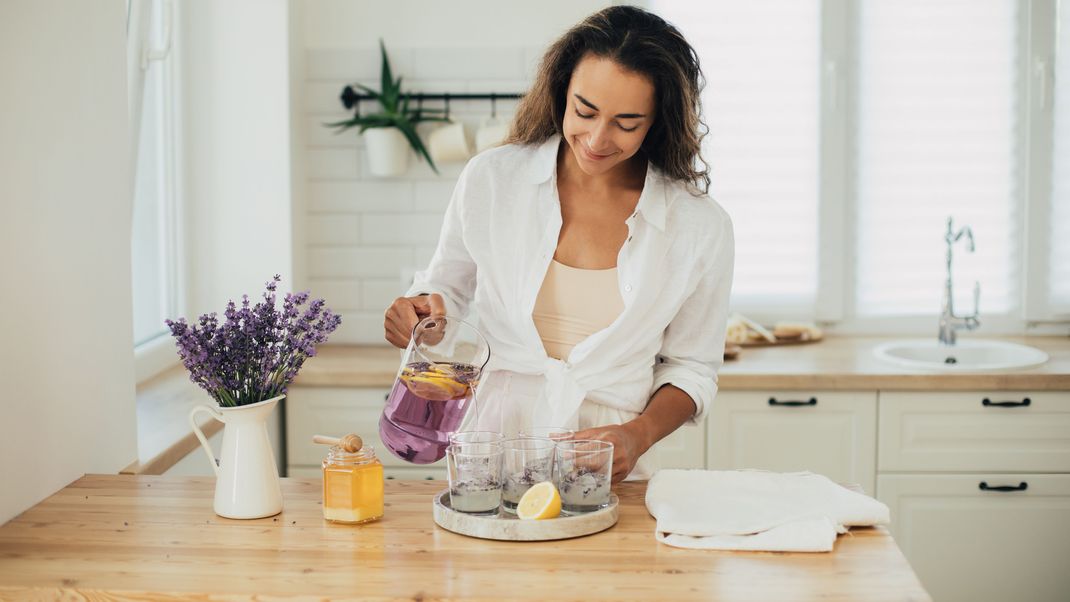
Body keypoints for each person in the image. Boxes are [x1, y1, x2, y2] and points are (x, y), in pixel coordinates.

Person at [383, 5, 734, 483]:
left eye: (626, 123)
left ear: (658, 120)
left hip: (608, 467)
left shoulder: (698, 226)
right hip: (489, 453)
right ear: (561, 90)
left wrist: (640, 433)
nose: (595, 139)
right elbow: (449, 292)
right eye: (584, 111)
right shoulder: (493, 179)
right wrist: (418, 310)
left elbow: (691, 367)